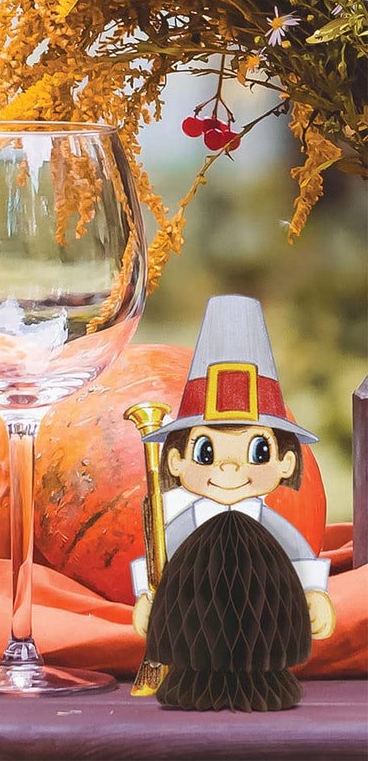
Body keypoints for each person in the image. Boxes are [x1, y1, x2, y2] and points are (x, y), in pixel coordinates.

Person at [130, 294, 334, 709]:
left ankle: (262, 680)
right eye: (206, 452)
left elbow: (297, 554)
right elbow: (159, 556)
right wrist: (147, 600)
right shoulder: (184, 524)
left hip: (264, 651)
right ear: (175, 459)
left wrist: (313, 593)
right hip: (193, 653)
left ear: (284, 462)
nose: (227, 468)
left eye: (257, 452)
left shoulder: (271, 529)